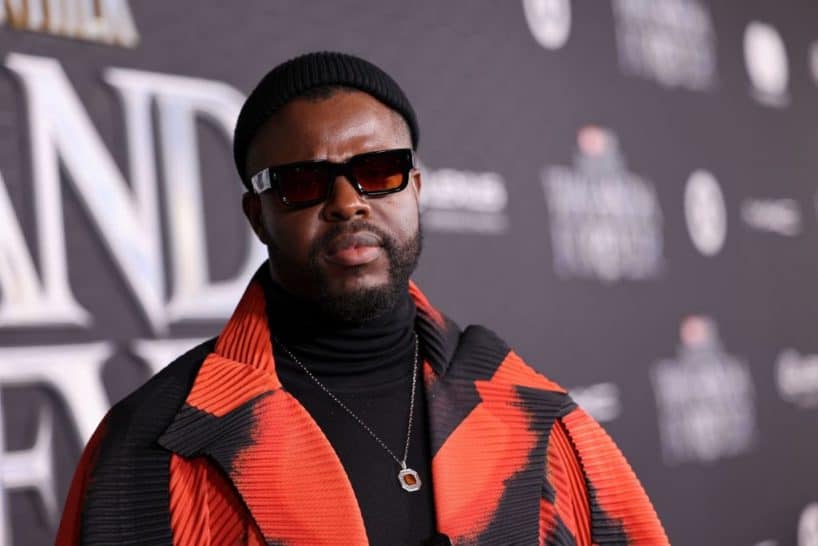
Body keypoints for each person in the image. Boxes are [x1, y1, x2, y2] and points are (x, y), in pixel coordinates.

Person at [56, 51, 669, 546]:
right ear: (257, 215)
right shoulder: (148, 448)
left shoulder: (533, 413)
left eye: (379, 171)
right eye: (303, 181)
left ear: (416, 188)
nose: (348, 201)